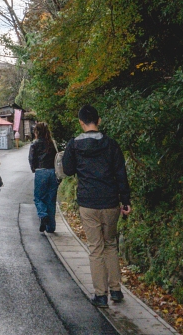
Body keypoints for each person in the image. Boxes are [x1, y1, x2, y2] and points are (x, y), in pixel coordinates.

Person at [61, 105, 132, 308]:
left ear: (81, 123)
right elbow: (121, 174)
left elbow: (67, 169)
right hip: (110, 202)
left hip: (88, 203)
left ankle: (101, 295)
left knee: (96, 248)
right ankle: (116, 290)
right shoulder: (111, 144)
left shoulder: (74, 145)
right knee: (110, 244)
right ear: (98, 121)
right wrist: (125, 201)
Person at [28, 121, 58, 233]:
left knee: (38, 198)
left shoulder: (35, 144)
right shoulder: (52, 143)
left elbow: (31, 159)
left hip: (41, 172)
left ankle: (43, 214)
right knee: (51, 200)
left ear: (37, 132)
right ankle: (51, 227)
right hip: (53, 172)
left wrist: (33, 169)